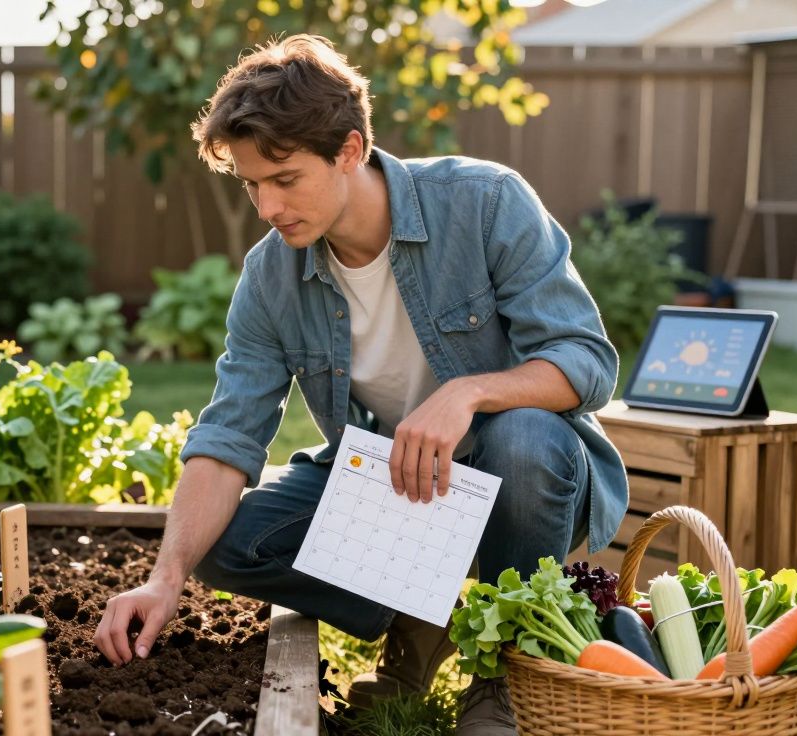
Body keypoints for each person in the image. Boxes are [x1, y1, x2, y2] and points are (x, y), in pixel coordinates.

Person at [92, 34, 627, 735]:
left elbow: (585, 360)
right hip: (397, 486)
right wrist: (165, 579)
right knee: (225, 543)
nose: (267, 207)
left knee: (527, 439)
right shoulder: (271, 275)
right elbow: (229, 434)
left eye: (285, 180)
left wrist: (467, 394)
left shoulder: (486, 204)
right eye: (252, 184)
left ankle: (501, 670)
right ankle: (417, 613)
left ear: (348, 150)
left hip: (516, 479)